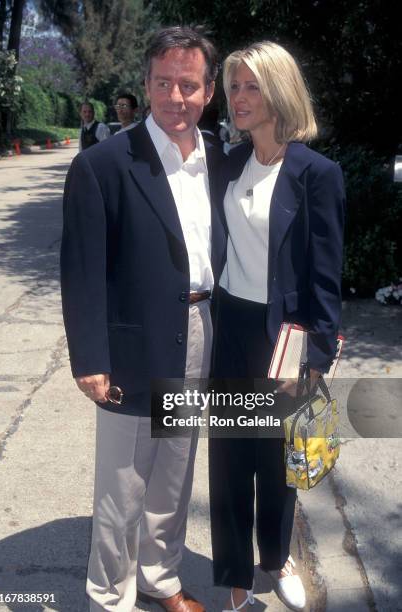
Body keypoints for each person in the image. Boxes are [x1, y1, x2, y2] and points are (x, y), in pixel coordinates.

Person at [61, 26, 227, 612]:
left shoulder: (221, 161)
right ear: (146, 85)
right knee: (122, 485)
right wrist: (90, 359)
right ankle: (108, 596)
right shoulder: (104, 165)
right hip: (132, 346)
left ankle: (161, 577)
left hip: (200, 332)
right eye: (163, 83)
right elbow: (81, 272)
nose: (174, 97)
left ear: (209, 91)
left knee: (175, 475)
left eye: (188, 85)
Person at [209, 41, 345, 612]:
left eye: (250, 86)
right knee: (230, 455)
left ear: (279, 90)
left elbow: (325, 273)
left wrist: (315, 357)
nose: (238, 98)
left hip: (281, 334)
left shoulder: (317, 174)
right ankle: (237, 572)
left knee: (276, 456)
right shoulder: (230, 162)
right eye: (234, 86)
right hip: (228, 325)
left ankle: (277, 557)